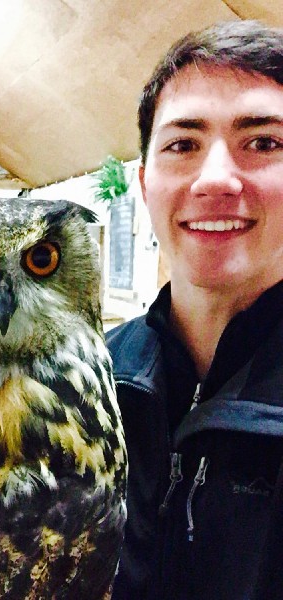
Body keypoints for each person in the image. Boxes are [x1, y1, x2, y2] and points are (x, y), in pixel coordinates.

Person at [107, 19, 283, 600]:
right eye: (183, 145)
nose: (215, 180)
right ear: (144, 185)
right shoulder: (84, 382)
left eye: (264, 143)